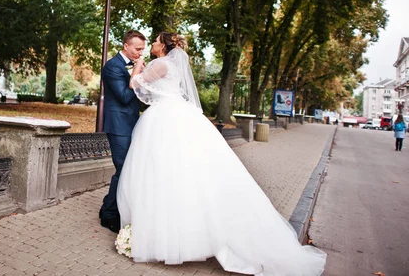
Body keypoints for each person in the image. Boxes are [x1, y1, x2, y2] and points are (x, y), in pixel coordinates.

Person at [116, 32, 326, 275]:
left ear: (162, 45)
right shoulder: (169, 65)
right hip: (177, 115)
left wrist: (138, 66)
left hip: (164, 119)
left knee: (163, 172)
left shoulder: (160, 63)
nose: (151, 44)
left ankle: (167, 236)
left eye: (154, 41)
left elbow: (134, 86)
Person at [99, 30, 147, 233]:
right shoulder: (112, 67)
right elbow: (125, 97)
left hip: (132, 123)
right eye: (138, 49)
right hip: (118, 126)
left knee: (128, 169)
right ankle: (108, 214)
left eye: (143, 49)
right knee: (123, 169)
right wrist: (137, 72)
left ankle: (114, 207)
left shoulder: (134, 65)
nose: (140, 53)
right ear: (126, 46)